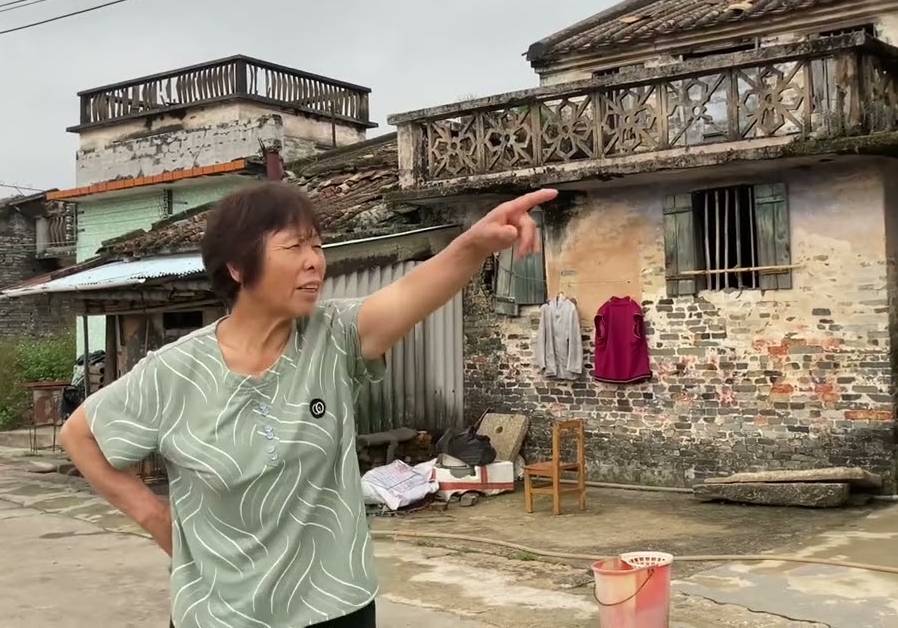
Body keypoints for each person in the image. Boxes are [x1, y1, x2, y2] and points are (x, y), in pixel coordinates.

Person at [59, 181, 557, 628]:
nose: (315, 260)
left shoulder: (334, 337)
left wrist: (474, 242)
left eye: (316, 245)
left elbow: (413, 293)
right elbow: (79, 436)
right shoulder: (173, 372)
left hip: (334, 607)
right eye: (293, 247)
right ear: (237, 267)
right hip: (220, 614)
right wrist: (157, 518)